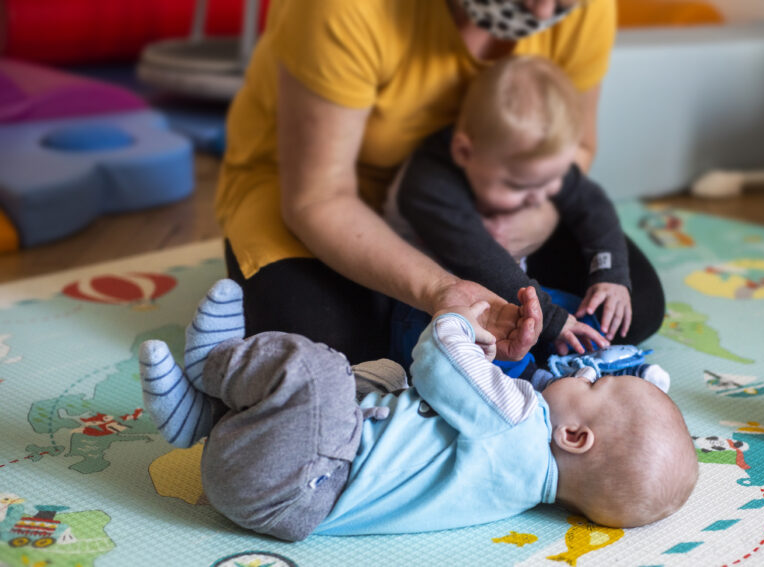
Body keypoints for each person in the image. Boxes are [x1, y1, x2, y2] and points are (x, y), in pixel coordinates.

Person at [215, 0, 666, 367]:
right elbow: (319, 198)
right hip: (314, 193)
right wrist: (443, 290)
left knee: (632, 304)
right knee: (336, 349)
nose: (544, 14)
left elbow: (576, 153)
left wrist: (535, 217)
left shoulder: (584, 11)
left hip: (488, 190)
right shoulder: (342, 10)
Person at [139, 280, 698, 540]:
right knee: (380, 378)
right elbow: (448, 400)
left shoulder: (519, 423)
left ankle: (215, 364)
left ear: (575, 436)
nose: (580, 373)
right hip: (280, 487)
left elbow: (436, 363)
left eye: (592, 387)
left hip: (300, 474)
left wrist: (459, 322)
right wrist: (481, 354)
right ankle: (203, 420)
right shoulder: (520, 483)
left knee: (326, 374)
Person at [386, 54, 661, 371]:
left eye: (551, 182)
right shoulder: (429, 185)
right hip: (431, 305)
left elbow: (592, 204)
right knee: (470, 350)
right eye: (519, 186)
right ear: (464, 152)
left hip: (514, 290)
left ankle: (587, 366)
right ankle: (543, 382)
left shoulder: (533, 166)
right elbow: (483, 262)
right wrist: (554, 322)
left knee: (598, 317)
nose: (540, 198)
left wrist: (609, 275)